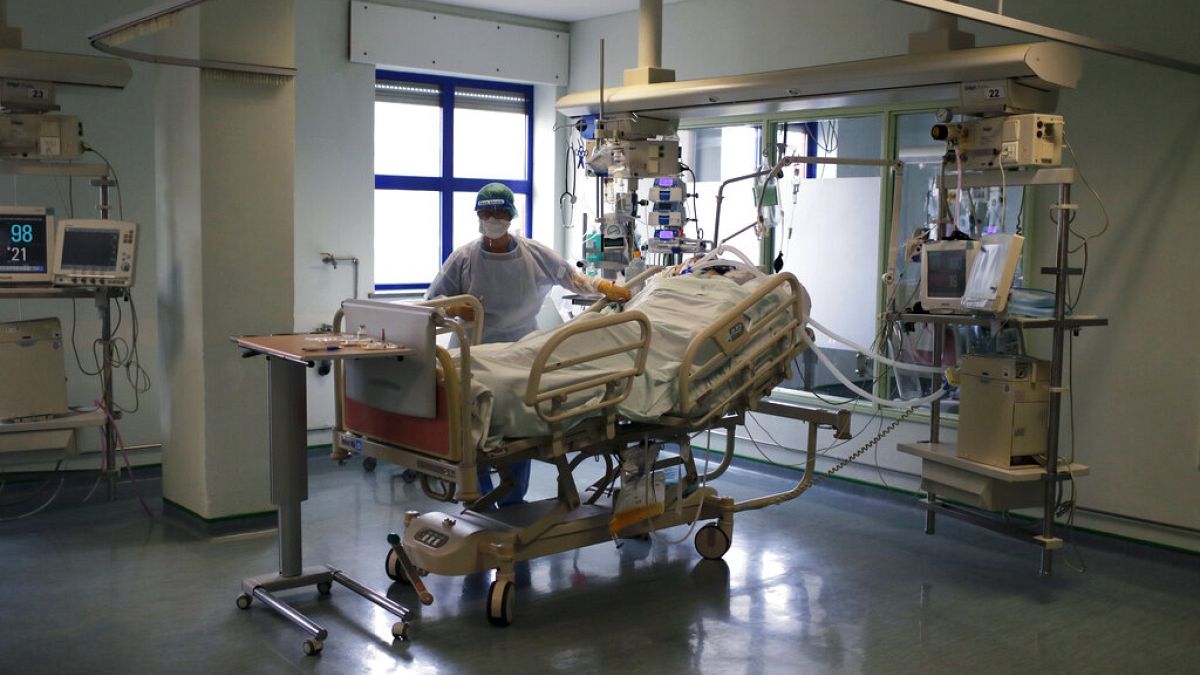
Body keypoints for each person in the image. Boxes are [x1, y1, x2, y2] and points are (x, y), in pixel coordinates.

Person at [426, 182, 631, 505]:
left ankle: (511, 499)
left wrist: (604, 285)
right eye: (487, 213)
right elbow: (431, 301)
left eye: (499, 212)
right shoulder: (463, 258)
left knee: (515, 427)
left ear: (511, 216)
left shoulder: (533, 254)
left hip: (519, 354)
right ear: (478, 216)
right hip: (472, 353)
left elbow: (573, 278)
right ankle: (478, 498)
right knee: (471, 432)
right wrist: (450, 308)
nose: (493, 218)